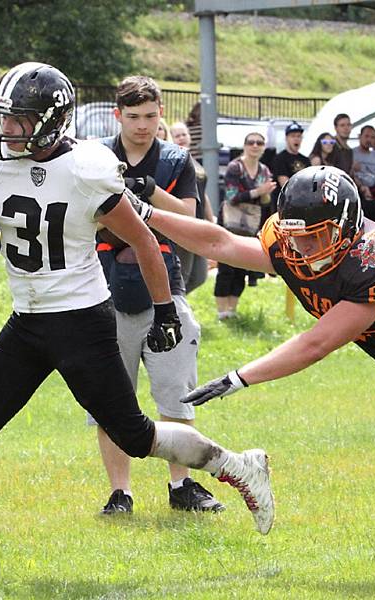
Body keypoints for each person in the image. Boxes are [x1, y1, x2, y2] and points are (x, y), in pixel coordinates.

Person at [0, 62, 275, 567]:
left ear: (50, 121)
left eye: (20, 120)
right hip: (27, 319)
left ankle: (237, 465)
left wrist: (165, 309)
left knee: (136, 435)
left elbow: (144, 241)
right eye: (4, 118)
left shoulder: (87, 168)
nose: (6, 129)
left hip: (82, 320)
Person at [142, 164, 375, 498]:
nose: (303, 248)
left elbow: (317, 343)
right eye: (296, 236)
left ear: (347, 226)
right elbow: (222, 245)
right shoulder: (289, 240)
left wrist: (238, 377)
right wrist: (146, 214)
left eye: (317, 236)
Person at [92, 75, 220, 515]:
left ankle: (182, 485)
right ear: (117, 115)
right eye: (134, 117)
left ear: (160, 113)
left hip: (166, 285)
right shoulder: (96, 157)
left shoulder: (176, 159)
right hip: (106, 287)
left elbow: (189, 214)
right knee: (110, 398)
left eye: (150, 116)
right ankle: (120, 492)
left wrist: (149, 193)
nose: (143, 125)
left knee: (176, 394)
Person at [215, 132, 276, 319]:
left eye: (259, 143)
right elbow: (232, 197)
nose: (255, 146)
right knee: (226, 266)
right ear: (244, 145)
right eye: (251, 142)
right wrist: (259, 191)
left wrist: (265, 194)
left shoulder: (264, 170)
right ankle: (221, 311)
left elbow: (265, 202)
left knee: (242, 266)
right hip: (230, 221)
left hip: (251, 223)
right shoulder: (235, 167)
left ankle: (232, 310)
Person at [170, 120, 214, 294]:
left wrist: (211, 221)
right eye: (177, 135)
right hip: (183, 224)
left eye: (184, 134)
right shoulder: (173, 161)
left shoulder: (194, 162)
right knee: (182, 276)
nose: (181, 138)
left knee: (200, 276)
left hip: (199, 223)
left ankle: (179, 305)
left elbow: (202, 194)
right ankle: (175, 312)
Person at [272, 121, 309, 208]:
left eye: (299, 136)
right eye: (293, 136)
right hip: (285, 203)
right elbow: (285, 184)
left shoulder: (305, 160)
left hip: (303, 203)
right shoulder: (280, 158)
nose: (296, 139)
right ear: (286, 138)